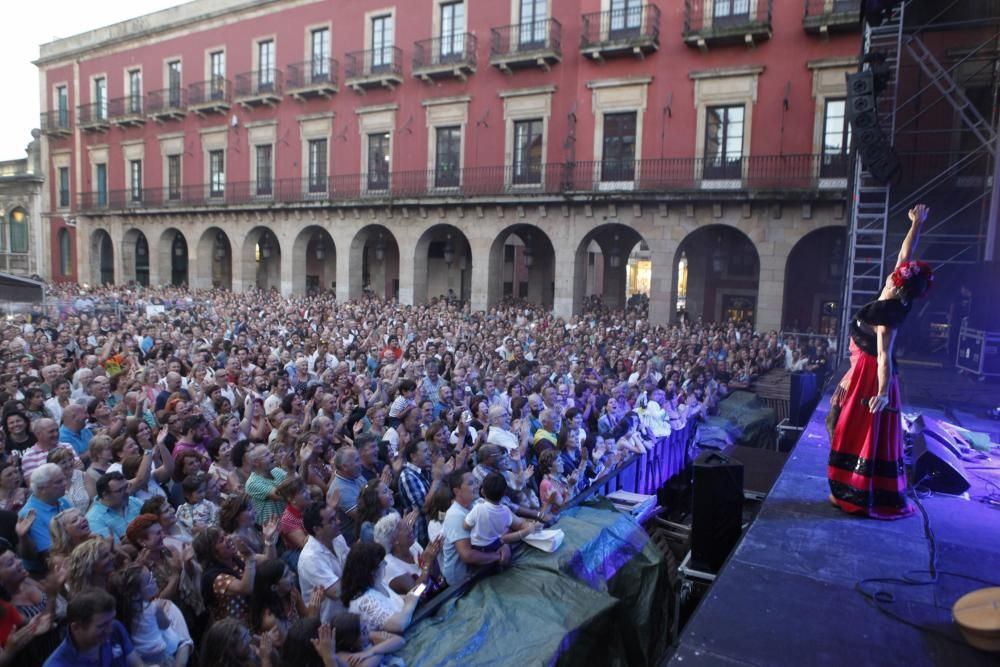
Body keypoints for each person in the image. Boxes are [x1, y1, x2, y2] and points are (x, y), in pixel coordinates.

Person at [828, 204, 934, 520]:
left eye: (893, 279)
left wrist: (884, 392)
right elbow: (906, 252)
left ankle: (857, 491)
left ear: (899, 287)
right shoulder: (895, 288)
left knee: (851, 428)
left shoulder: (888, 315)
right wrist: (916, 224)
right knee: (838, 422)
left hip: (871, 375)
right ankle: (845, 487)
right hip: (859, 367)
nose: (889, 278)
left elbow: (884, 358)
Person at [441, 470, 510, 585]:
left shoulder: (477, 503)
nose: (477, 486)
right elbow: (467, 555)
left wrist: (504, 545)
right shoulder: (455, 515)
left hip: (479, 568)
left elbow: (499, 531)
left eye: (476, 482)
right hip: (462, 581)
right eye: (471, 483)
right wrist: (498, 556)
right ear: (457, 491)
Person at [43, 588, 142, 667]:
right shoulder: (57, 664)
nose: (110, 629)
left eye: (111, 620)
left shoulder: (115, 627)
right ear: (76, 627)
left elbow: (136, 663)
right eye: (102, 625)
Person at [340, 542, 421, 634]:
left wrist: (409, 596)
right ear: (372, 571)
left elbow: (392, 601)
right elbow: (398, 625)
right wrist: (411, 602)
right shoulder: (364, 601)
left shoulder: (378, 582)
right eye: (382, 562)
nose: (386, 563)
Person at [297, 502, 349, 624]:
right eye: (332, 520)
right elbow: (336, 592)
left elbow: (354, 565)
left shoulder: (337, 538)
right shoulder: (310, 558)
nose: (338, 522)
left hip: (350, 607)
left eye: (336, 517)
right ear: (317, 529)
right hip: (331, 623)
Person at [462, 472, 540, 553]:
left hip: (478, 549)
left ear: (482, 492)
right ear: (503, 494)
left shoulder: (478, 507)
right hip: (495, 547)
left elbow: (466, 526)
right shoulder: (506, 511)